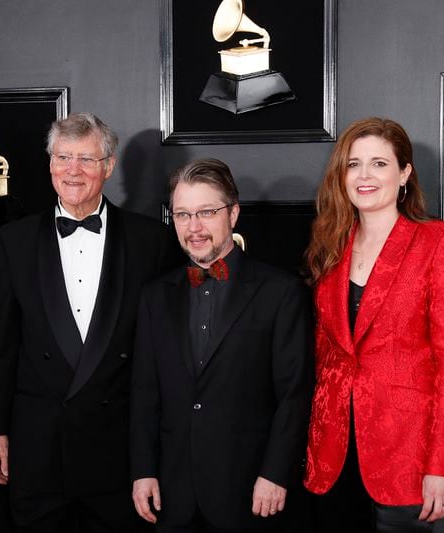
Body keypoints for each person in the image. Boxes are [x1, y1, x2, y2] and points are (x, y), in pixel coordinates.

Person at [0, 112, 182, 532]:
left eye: (87, 160)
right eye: (64, 157)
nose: (74, 170)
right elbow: (1, 348)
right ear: (50, 164)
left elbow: (164, 356)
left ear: (108, 167)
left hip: (118, 451)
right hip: (38, 451)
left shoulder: (152, 242)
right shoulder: (11, 241)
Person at [303, 117, 444, 532]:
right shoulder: (329, 247)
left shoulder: (442, 242)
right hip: (333, 457)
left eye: (379, 164)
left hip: (411, 458)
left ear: (404, 173)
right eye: (353, 164)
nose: (364, 175)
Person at [130, 158, 313, 532]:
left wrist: (275, 473)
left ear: (233, 214)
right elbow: (144, 393)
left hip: (249, 490)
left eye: (206, 212)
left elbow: (294, 395)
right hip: (172, 491)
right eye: (182, 214)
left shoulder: (281, 292)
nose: (193, 227)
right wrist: (143, 470)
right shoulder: (154, 296)